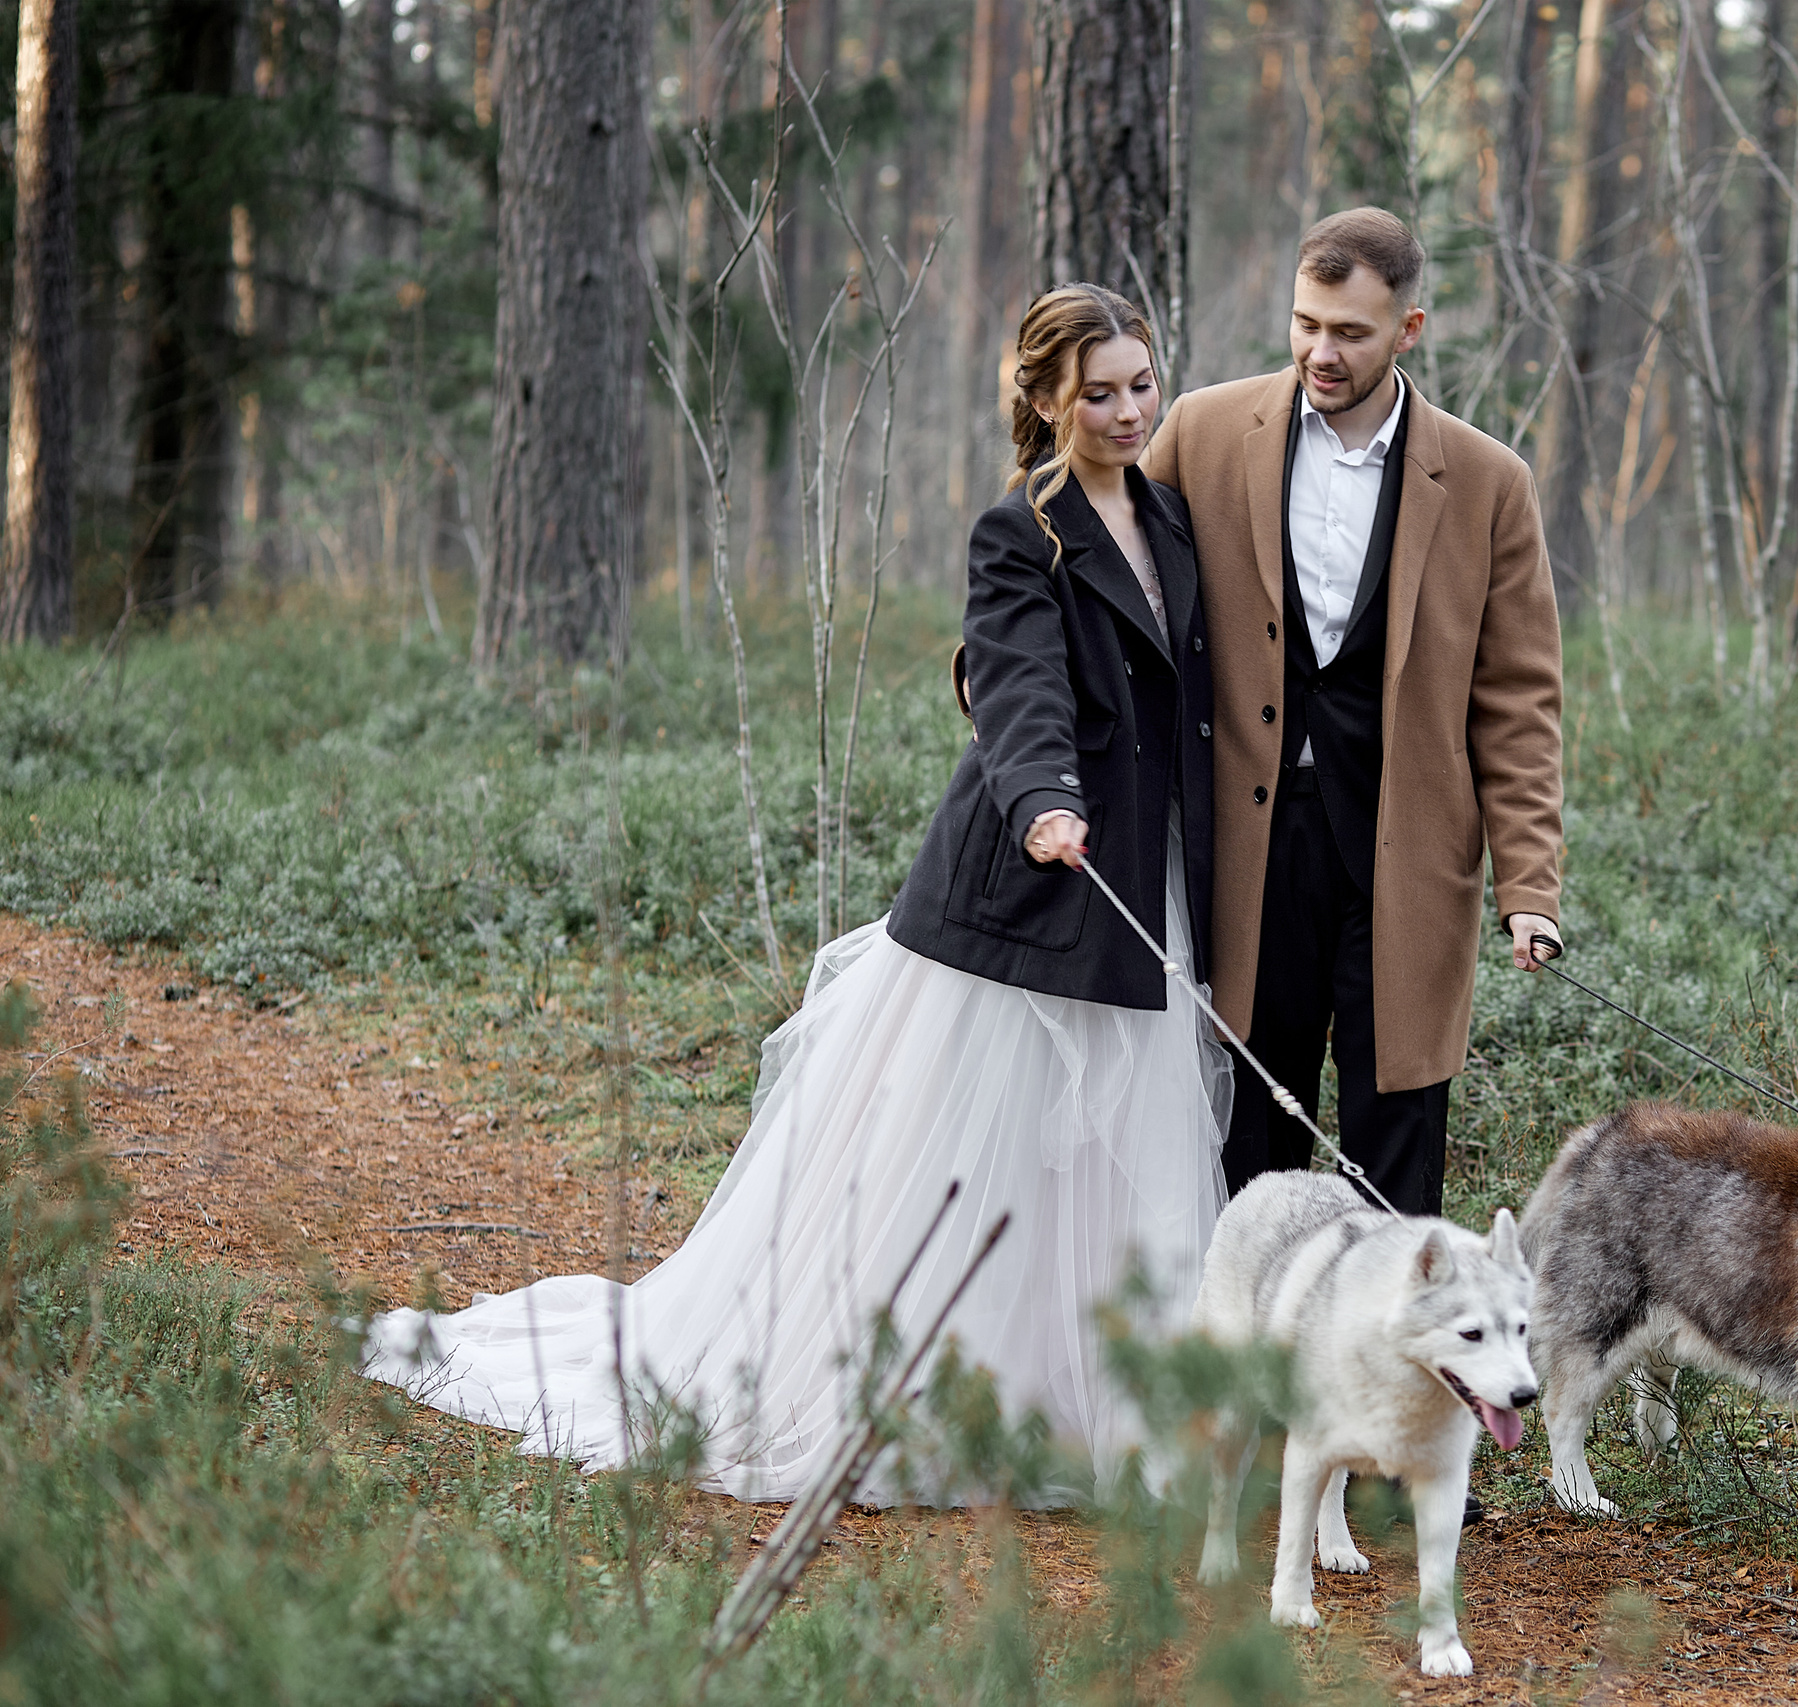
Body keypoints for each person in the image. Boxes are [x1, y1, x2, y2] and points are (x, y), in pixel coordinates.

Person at [363, 284, 1228, 1504]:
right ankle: (928, 1392)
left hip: (1149, 878)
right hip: (1028, 892)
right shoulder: (1014, 532)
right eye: (1099, 391)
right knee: (975, 1154)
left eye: (1142, 383)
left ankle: (1091, 1398)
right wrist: (1042, 797)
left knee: (1098, 1158)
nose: (1129, 409)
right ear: (1044, 400)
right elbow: (1017, 681)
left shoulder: (1173, 519)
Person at [1142, 206, 1565, 1222]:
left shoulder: (1488, 483)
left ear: (1408, 330)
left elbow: (1519, 701)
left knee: (1397, 1125)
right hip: (1250, 848)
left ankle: (1384, 1362)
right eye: (1305, 324)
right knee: (1251, 1119)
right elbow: (1108, 570)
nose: (1319, 352)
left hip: (1409, 852)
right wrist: (1003, 661)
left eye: (1350, 333)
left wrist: (1530, 885)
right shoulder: (1202, 431)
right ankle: (1254, 1361)